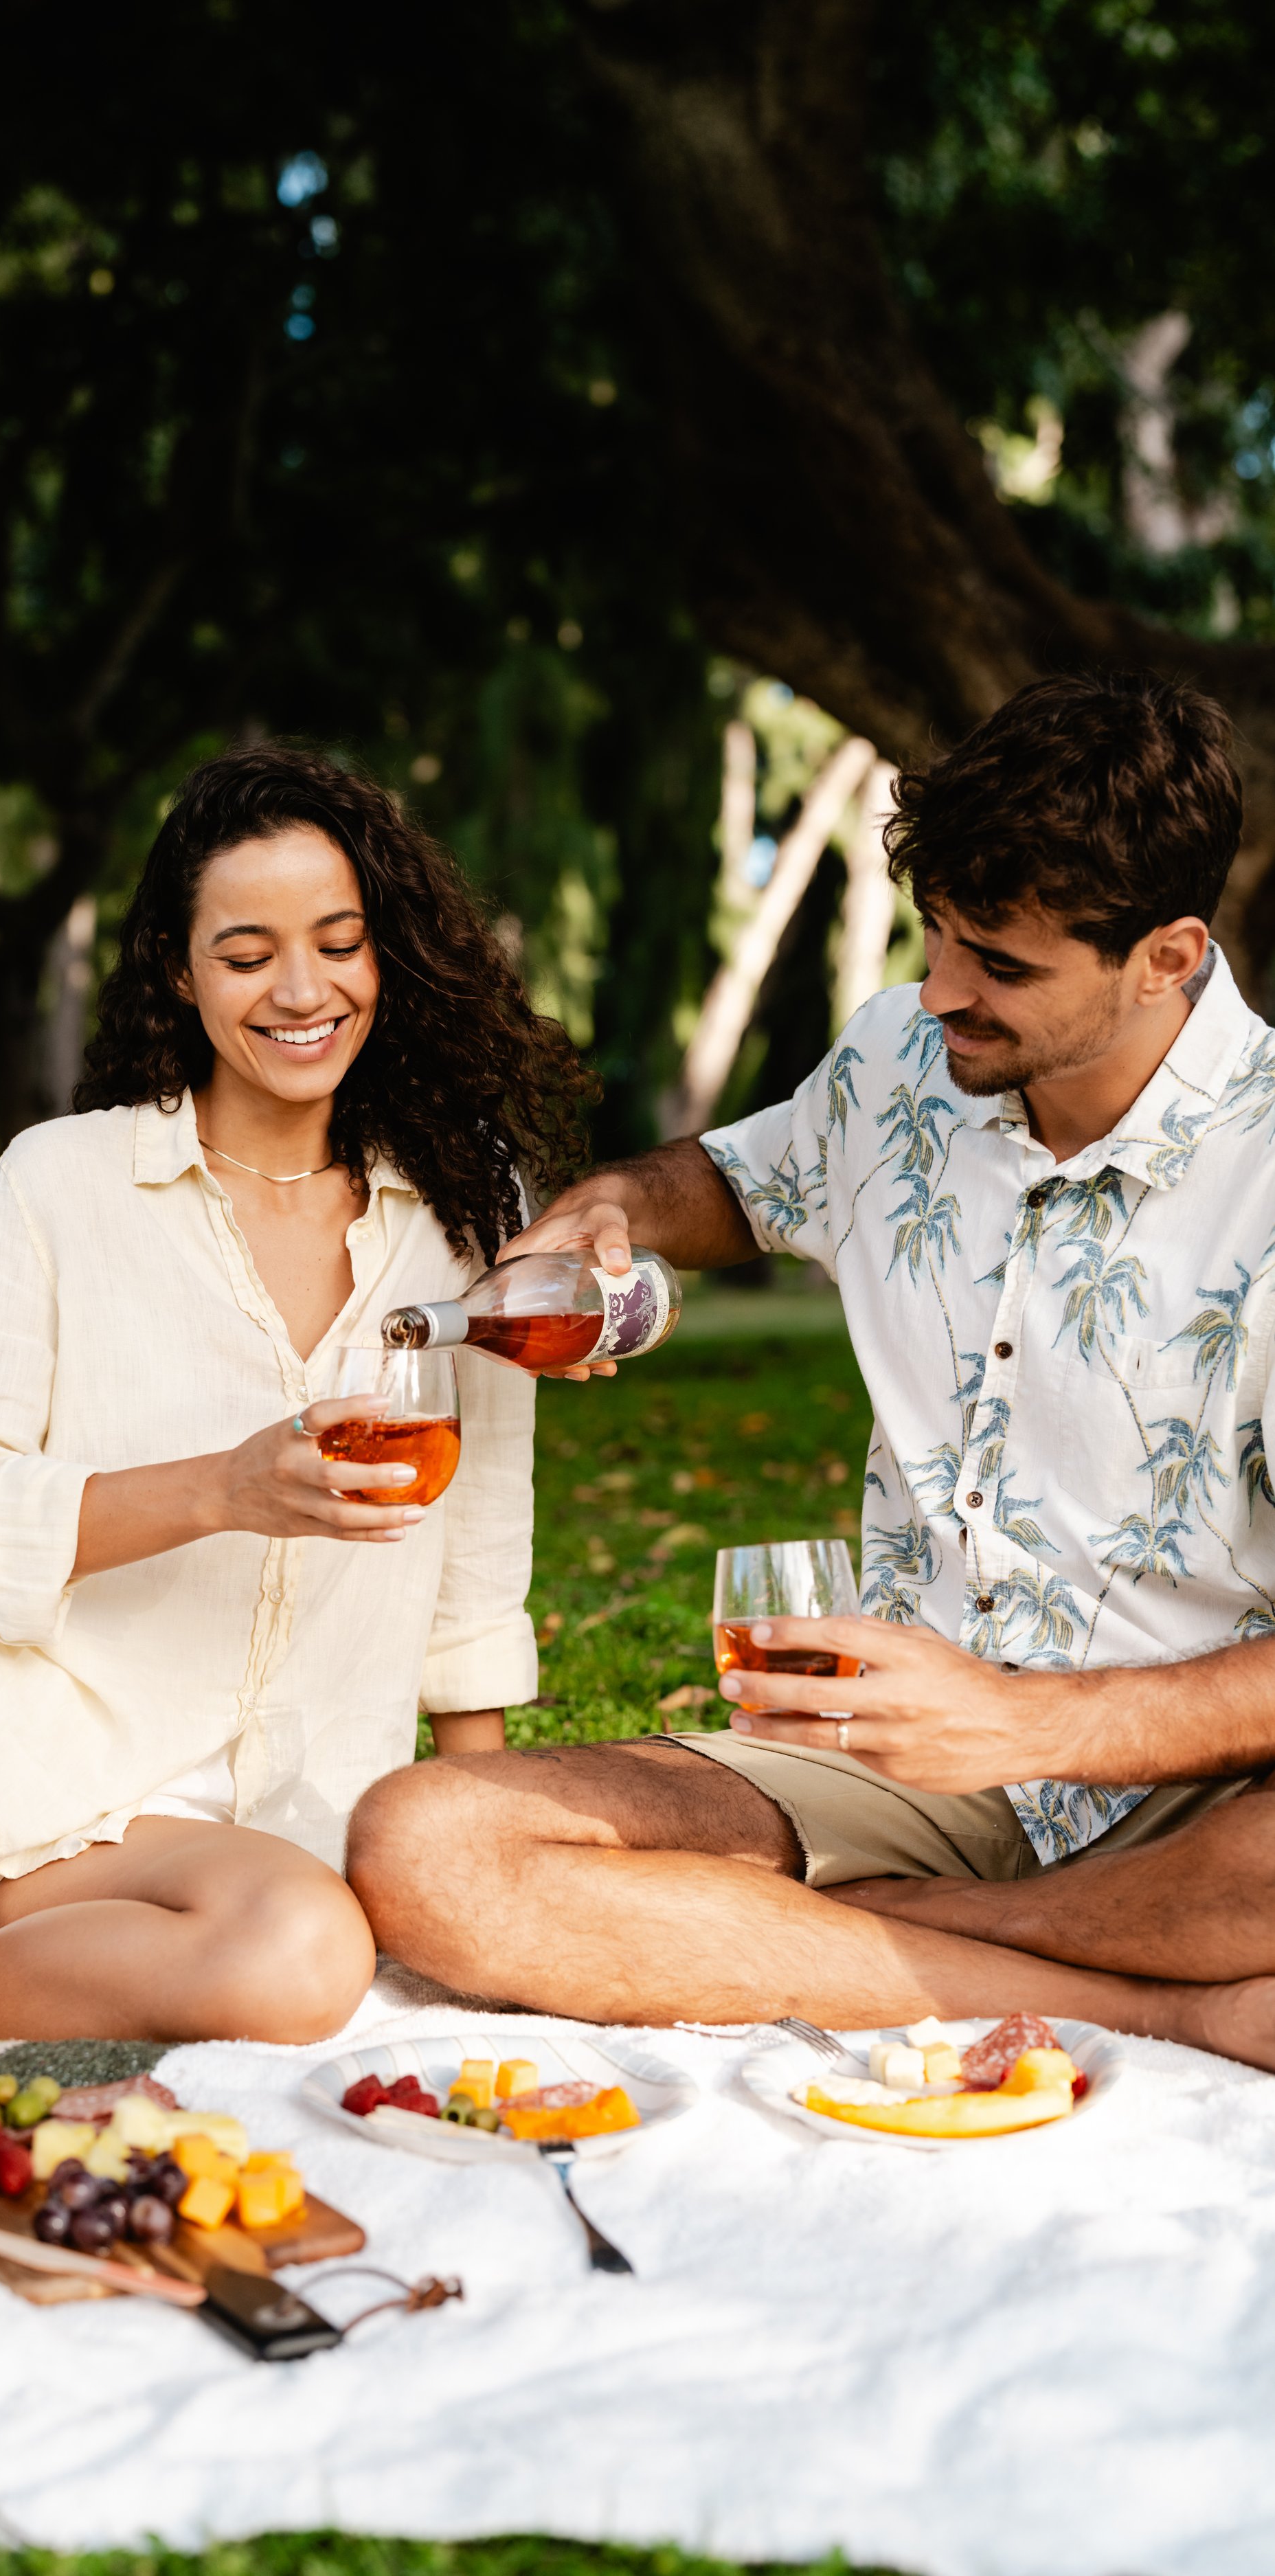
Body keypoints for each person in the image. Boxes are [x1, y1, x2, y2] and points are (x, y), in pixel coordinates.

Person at [0, 746, 593, 2113]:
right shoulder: (62, 1180)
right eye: (245, 953)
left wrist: (475, 1855)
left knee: (305, 1958)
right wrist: (221, 1489)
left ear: (390, 956)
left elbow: (476, 1556)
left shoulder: (464, 1221)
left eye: (337, 942)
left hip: (208, 1815)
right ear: (181, 977)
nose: (300, 990)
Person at [349, 669, 1275, 2072]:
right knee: (429, 1847)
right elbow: (733, 1180)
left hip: (1198, 1798)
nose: (942, 992)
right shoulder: (904, 1063)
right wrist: (615, 1207)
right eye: (936, 936)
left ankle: (914, 1930)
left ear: (1166, 956)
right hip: (882, 1764)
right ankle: (1148, 2001)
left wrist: (1020, 1721)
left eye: (1001, 964)